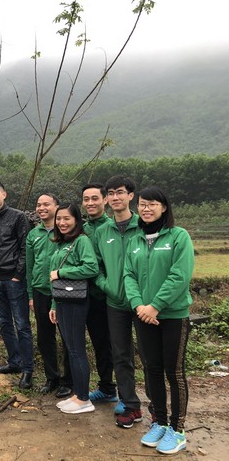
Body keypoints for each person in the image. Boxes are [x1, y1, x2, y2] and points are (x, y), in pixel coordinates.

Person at [124, 187, 193, 455]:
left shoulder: (178, 236)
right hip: (143, 314)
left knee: (174, 372)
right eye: (142, 204)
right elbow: (128, 275)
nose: (146, 208)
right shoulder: (136, 240)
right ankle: (161, 423)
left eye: (152, 204)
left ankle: (178, 429)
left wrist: (155, 306)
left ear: (164, 207)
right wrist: (139, 305)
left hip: (172, 315)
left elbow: (180, 275)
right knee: (152, 369)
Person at [92, 175, 145, 428]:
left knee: (149, 356)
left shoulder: (143, 226)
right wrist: (107, 286)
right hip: (115, 303)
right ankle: (129, 403)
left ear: (131, 196)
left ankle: (158, 409)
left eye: (120, 192)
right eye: (111, 193)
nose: (115, 197)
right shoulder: (103, 231)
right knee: (121, 354)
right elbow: (97, 266)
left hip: (143, 303)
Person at [0, 180, 34, 389]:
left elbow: (24, 248)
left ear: (4, 194)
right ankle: (14, 362)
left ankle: (28, 369)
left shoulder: (18, 217)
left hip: (13, 279)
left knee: (22, 324)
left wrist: (18, 275)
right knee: (4, 323)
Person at [49, 203, 99, 414]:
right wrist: (53, 304)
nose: (62, 222)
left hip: (75, 302)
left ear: (76, 220)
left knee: (77, 349)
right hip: (62, 300)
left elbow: (91, 267)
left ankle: (84, 399)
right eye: (59, 218)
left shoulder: (81, 241)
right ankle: (78, 394)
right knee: (71, 348)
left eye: (67, 218)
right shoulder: (62, 242)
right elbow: (55, 278)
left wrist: (62, 273)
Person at [26, 193, 72, 397]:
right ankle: (51, 377)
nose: (41, 208)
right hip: (40, 291)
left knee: (67, 337)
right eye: (38, 204)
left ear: (57, 207)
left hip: (62, 292)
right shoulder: (33, 233)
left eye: (46, 204)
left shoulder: (64, 231)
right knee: (45, 338)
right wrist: (30, 294)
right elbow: (29, 266)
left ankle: (68, 380)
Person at [81, 183, 118, 406]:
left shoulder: (113, 227)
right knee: (100, 343)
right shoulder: (82, 228)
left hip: (110, 295)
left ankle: (126, 394)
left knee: (118, 345)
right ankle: (106, 387)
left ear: (105, 200)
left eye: (95, 198)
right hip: (88, 295)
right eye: (86, 199)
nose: (90, 203)